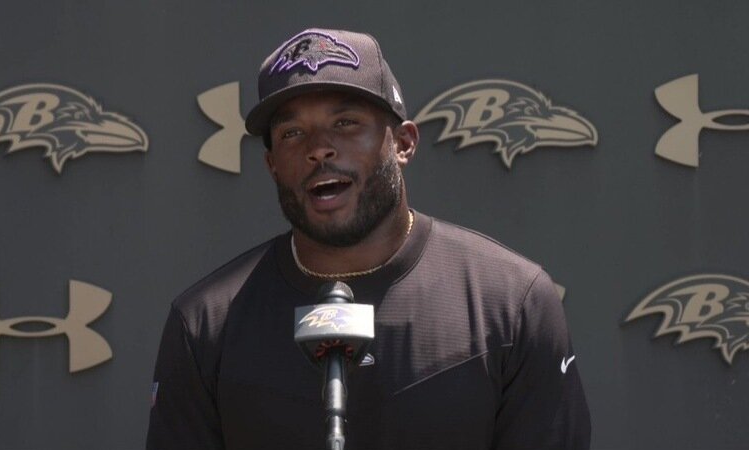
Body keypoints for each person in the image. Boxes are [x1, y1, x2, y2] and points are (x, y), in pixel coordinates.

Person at [146, 28, 590, 450]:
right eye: (292, 133)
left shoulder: (512, 303)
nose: (318, 148)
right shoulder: (205, 325)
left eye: (345, 122)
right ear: (272, 166)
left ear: (403, 143)